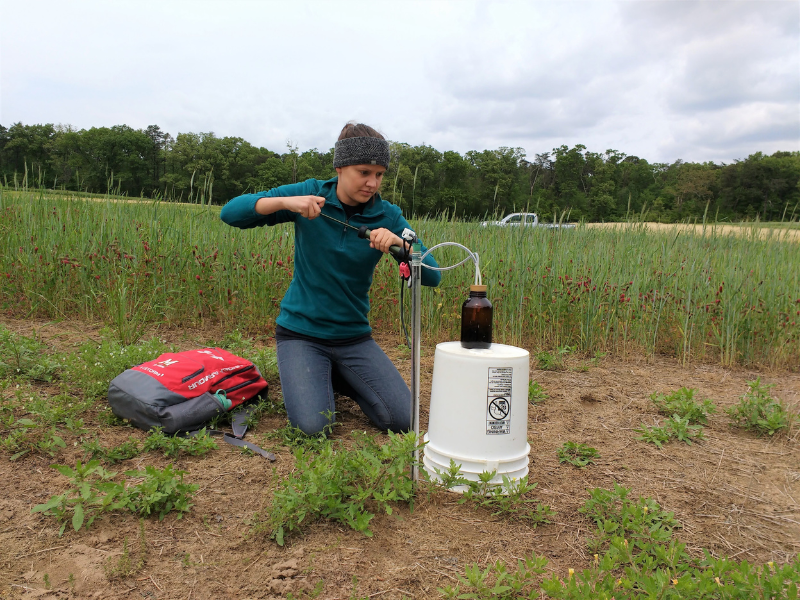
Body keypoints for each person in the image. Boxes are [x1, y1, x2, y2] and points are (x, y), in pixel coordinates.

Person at [220, 122, 441, 435]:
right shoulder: (310, 194)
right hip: (301, 335)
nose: (372, 183)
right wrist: (285, 202)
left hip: (353, 337)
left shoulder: (388, 215)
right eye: (364, 172)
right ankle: (315, 373)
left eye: (379, 174)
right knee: (313, 428)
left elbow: (432, 275)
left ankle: (340, 376)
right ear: (340, 167)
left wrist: (399, 244)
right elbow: (230, 213)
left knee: (404, 420)